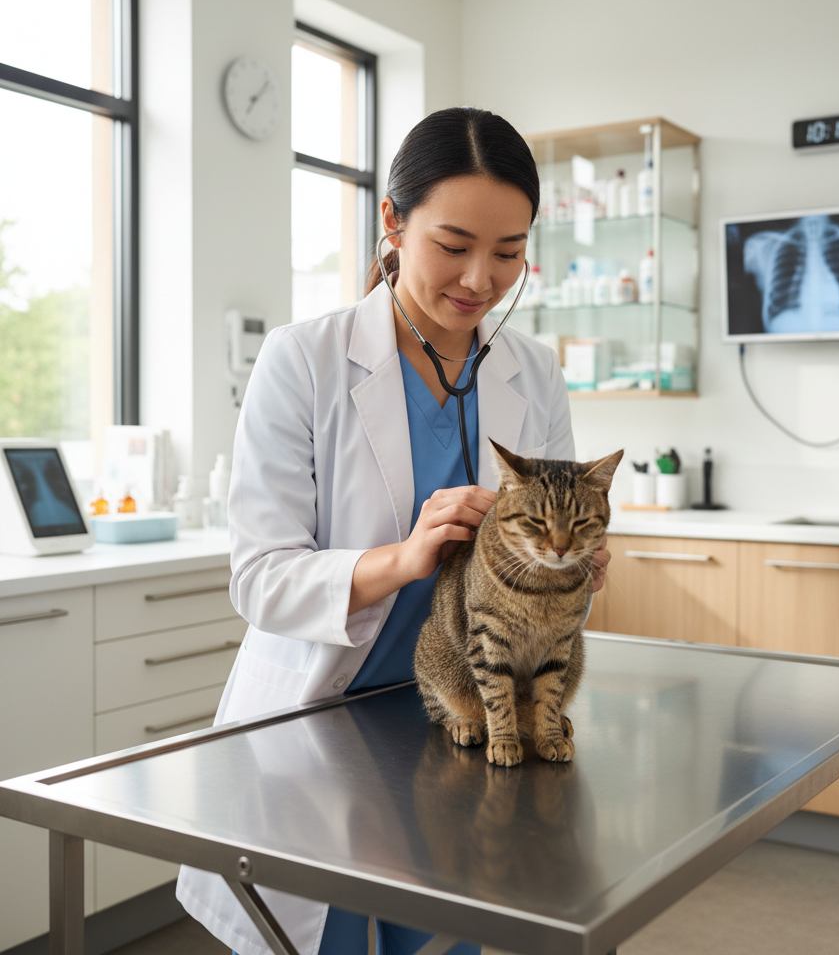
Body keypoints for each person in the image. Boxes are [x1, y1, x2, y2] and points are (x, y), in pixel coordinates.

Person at [177, 107, 611, 955]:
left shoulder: (533, 371)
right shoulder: (305, 360)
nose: (480, 279)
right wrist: (401, 559)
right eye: (453, 246)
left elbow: (561, 546)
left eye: (509, 252)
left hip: (460, 728)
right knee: (328, 936)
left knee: (446, 936)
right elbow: (260, 576)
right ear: (392, 222)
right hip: (328, 729)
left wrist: (579, 562)